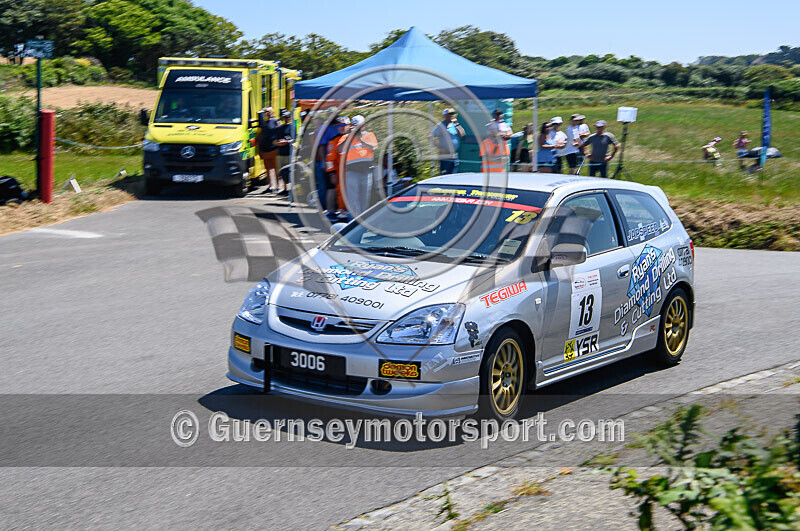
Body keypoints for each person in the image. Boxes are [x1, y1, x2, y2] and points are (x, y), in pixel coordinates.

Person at [430, 108, 465, 175]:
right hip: (445, 155)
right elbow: (430, 137)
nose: (451, 116)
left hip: (454, 155)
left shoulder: (454, 125)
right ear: (445, 116)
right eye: (449, 114)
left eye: (452, 114)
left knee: (453, 175)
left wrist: (456, 124)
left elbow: (462, 134)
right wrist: (439, 148)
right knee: (445, 175)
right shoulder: (440, 126)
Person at [273, 109, 295, 197]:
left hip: (289, 153)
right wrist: (278, 143)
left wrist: (286, 141)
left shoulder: (292, 127)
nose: (286, 119)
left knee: (290, 171)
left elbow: (294, 139)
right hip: (280, 153)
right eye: (284, 117)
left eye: (287, 117)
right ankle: (284, 188)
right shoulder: (279, 128)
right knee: (281, 172)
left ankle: (291, 189)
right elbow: (275, 141)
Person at [257, 107, 280, 191]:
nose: (266, 113)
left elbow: (278, 132)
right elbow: (259, 136)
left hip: (274, 149)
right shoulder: (262, 124)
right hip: (264, 149)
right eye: (265, 112)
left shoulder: (275, 122)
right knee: (268, 169)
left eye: (267, 112)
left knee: (276, 169)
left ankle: (277, 185)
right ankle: (270, 185)